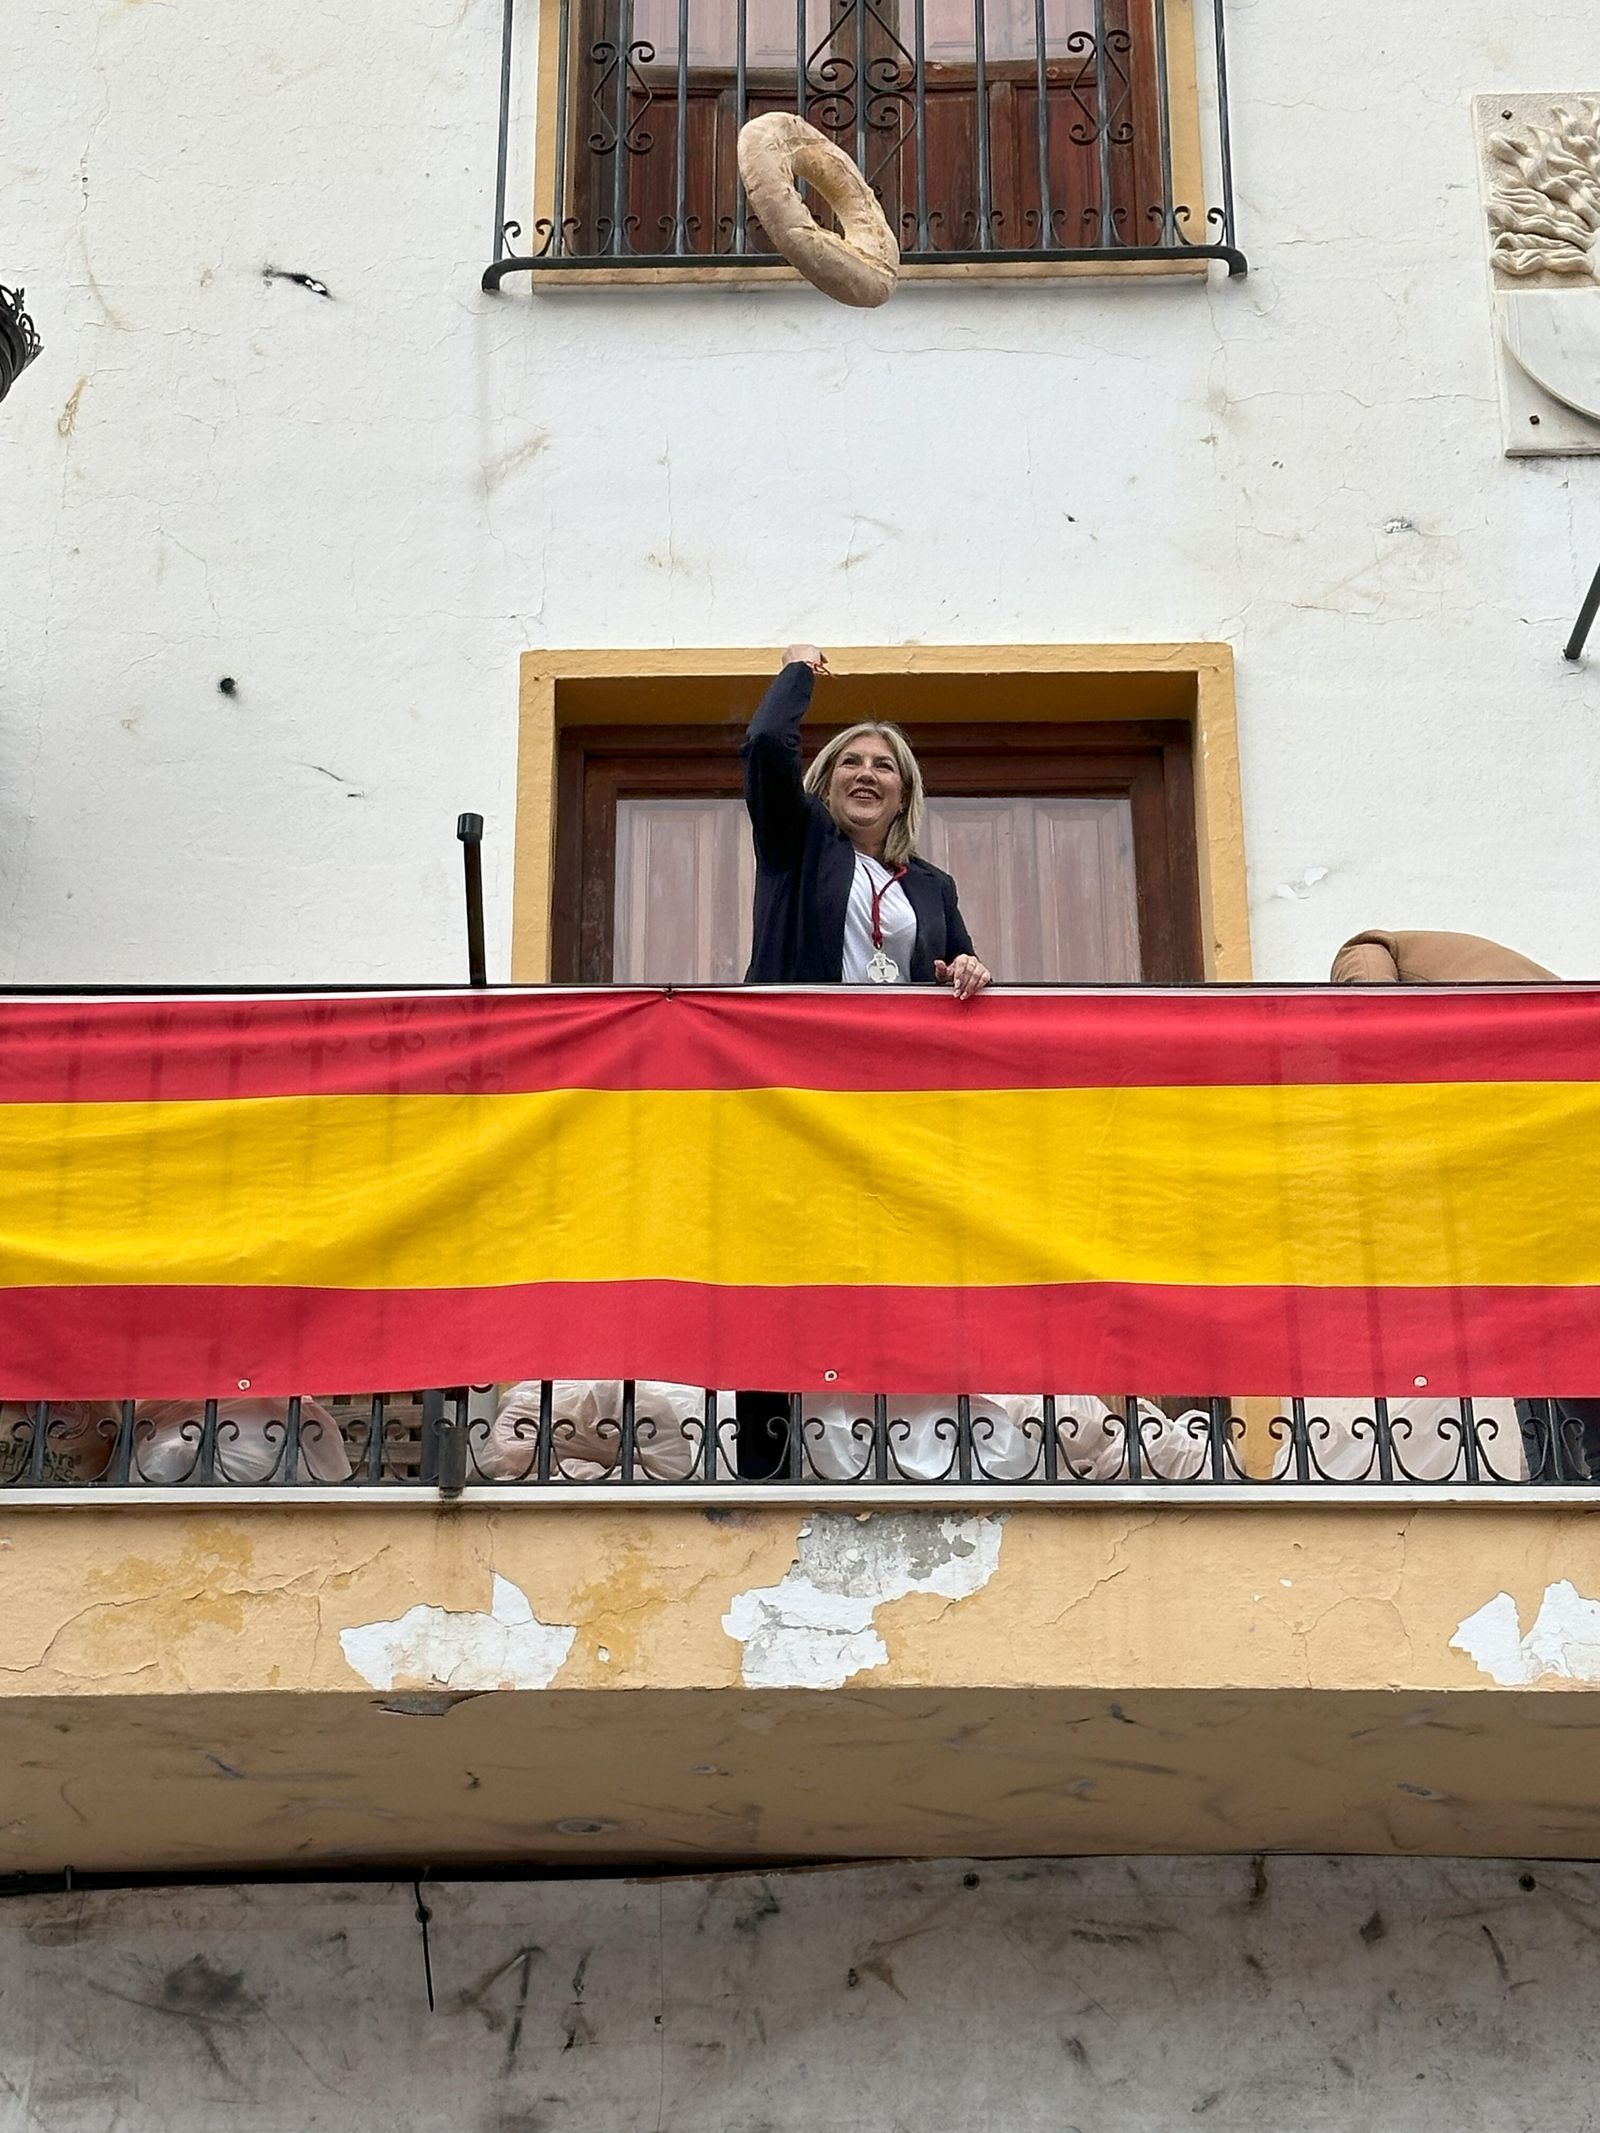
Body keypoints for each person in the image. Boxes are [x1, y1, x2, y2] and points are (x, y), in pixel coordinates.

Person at [741, 645, 991, 997]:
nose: (866, 774)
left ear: (903, 797)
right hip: (802, 1043)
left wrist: (967, 968)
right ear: (826, 789)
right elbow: (766, 742)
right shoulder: (796, 843)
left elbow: (963, 973)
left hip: (896, 1046)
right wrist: (797, 670)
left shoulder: (933, 885)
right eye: (851, 762)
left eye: (883, 766)